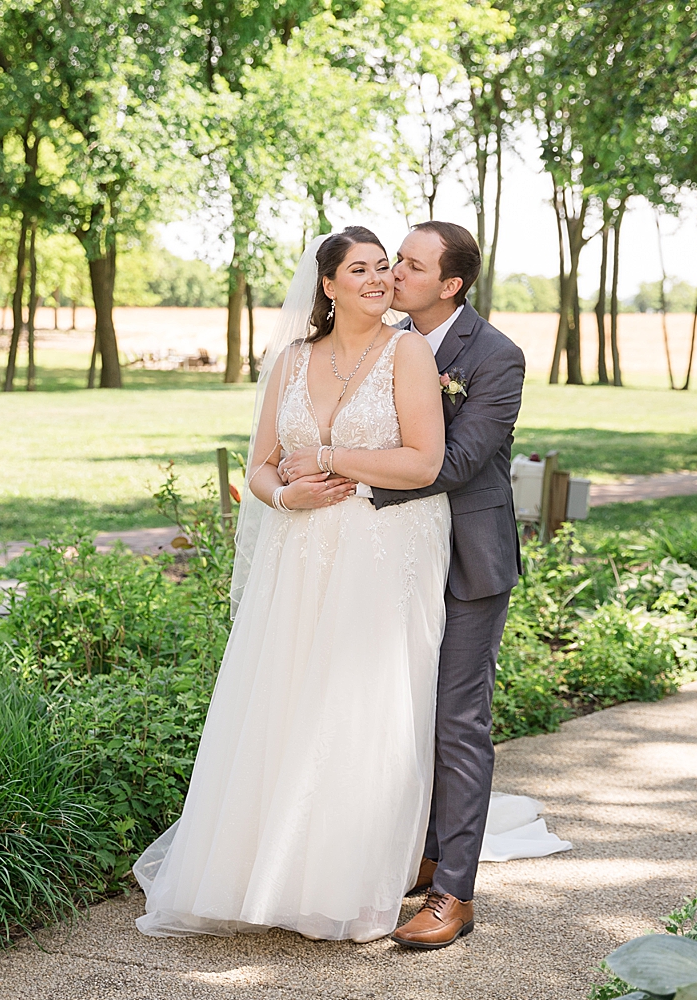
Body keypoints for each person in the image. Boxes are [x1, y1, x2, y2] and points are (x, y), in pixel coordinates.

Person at [132, 226, 453, 941]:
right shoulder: (291, 360)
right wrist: (285, 497)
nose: (378, 279)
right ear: (328, 285)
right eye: (361, 270)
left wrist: (333, 456)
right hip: (301, 553)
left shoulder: (408, 352)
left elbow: (426, 463)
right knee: (285, 703)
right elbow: (261, 467)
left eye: (383, 268)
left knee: (358, 710)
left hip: (379, 556)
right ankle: (257, 874)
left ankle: (341, 881)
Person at [281, 221, 526, 950]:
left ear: (449, 285)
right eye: (389, 263)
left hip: (467, 564)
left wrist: (335, 466)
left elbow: (452, 463)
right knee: (395, 710)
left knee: (457, 720)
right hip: (389, 557)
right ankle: (416, 853)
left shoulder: (495, 356)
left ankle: (455, 892)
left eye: (410, 266)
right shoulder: (381, 343)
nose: (392, 276)